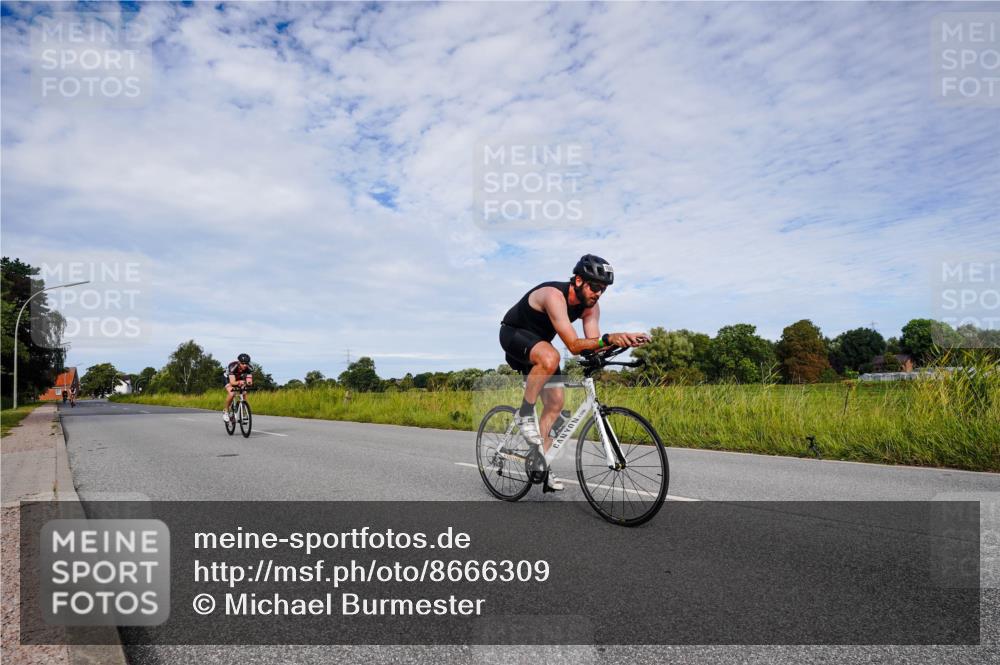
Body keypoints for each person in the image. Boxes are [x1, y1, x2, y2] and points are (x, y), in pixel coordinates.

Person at [499, 254, 649, 491]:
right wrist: (608, 338)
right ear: (578, 280)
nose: (598, 293)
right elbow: (574, 345)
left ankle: (541, 463)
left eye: (604, 289)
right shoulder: (553, 296)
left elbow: (592, 343)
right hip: (513, 335)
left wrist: (622, 342)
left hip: (542, 348)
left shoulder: (590, 307)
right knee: (552, 356)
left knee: (556, 404)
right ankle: (525, 413)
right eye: (595, 286)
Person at [223, 353, 254, 422]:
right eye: (243, 363)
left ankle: (244, 411)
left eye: (246, 363)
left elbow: (249, 382)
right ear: (239, 362)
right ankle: (226, 411)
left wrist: (247, 384)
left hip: (238, 378)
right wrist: (240, 382)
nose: (245, 365)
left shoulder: (249, 368)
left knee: (244, 392)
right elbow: (232, 382)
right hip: (228, 378)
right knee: (232, 393)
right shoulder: (233, 366)